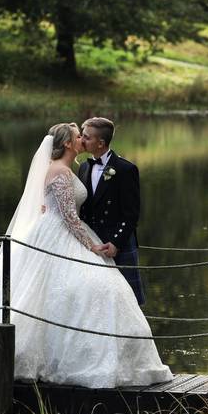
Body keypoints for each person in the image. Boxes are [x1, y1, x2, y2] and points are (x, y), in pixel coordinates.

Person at [0, 122, 172, 389]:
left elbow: (86, 211)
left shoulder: (74, 169)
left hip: (72, 232)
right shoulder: (62, 171)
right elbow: (70, 218)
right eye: (78, 136)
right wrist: (91, 247)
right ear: (69, 144)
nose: (81, 138)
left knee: (85, 291)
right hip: (61, 235)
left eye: (86, 136)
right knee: (70, 291)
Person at [77, 117, 146, 304]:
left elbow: (131, 213)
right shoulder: (83, 167)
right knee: (96, 300)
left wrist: (116, 242)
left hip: (117, 242)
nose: (81, 140)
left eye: (86, 137)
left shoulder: (125, 169)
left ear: (101, 143)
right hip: (93, 243)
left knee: (127, 301)